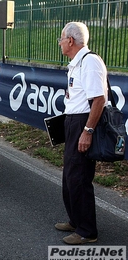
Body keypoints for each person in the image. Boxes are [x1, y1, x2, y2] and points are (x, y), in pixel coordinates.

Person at [54, 22, 107, 245]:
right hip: (73, 122)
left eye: (61, 38)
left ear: (71, 41)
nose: (59, 42)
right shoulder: (76, 63)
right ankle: (76, 220)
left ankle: (87, 231)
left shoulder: (90, 62)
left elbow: (99, 100)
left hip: (82, 124)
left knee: (80, 178)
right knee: (70, 176)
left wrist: (87, 131)